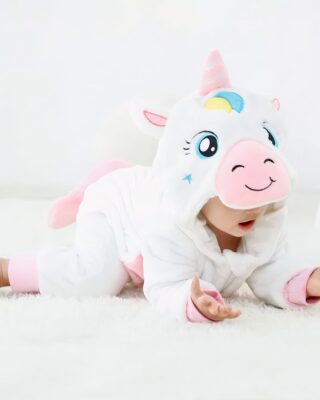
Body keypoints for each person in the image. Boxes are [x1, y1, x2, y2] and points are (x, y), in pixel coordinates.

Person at [1, 50, 320, 323]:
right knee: (94, 277)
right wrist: (190, 300)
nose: (252, 208)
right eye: (233, 199)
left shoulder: (264, 223)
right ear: (199, 195)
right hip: (116, 209)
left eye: (261, 198)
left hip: (142, 213)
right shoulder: (170, 225)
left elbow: (269, 270)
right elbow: (163, 285)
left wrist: (305, 282)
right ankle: (8, 269)